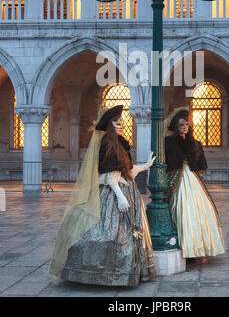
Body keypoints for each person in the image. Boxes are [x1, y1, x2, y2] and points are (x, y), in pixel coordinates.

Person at [49, 104, 156, 287]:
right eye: (117, 123)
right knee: (108, 233)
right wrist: (120, 197)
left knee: (129, 233)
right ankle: (105, 273)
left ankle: (130, 271)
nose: (121, 125)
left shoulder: (121, 144)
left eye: (122, 122)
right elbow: (108, 175)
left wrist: (146, 165)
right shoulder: (107, 144)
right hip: (113, 194)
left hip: (126, 190)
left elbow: (126, 171)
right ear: (109, 126)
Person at [164, 107, 225, 262]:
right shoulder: (170, 142)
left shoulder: (195, 143)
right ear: (176, 127)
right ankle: (185, 247)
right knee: (183, 209)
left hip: (193, 179)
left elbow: (201, 165)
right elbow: (170, 162)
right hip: (178, 179)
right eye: (181, 125)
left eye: (186, 125)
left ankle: (198, 247)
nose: (185, 127)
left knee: (200, 210)